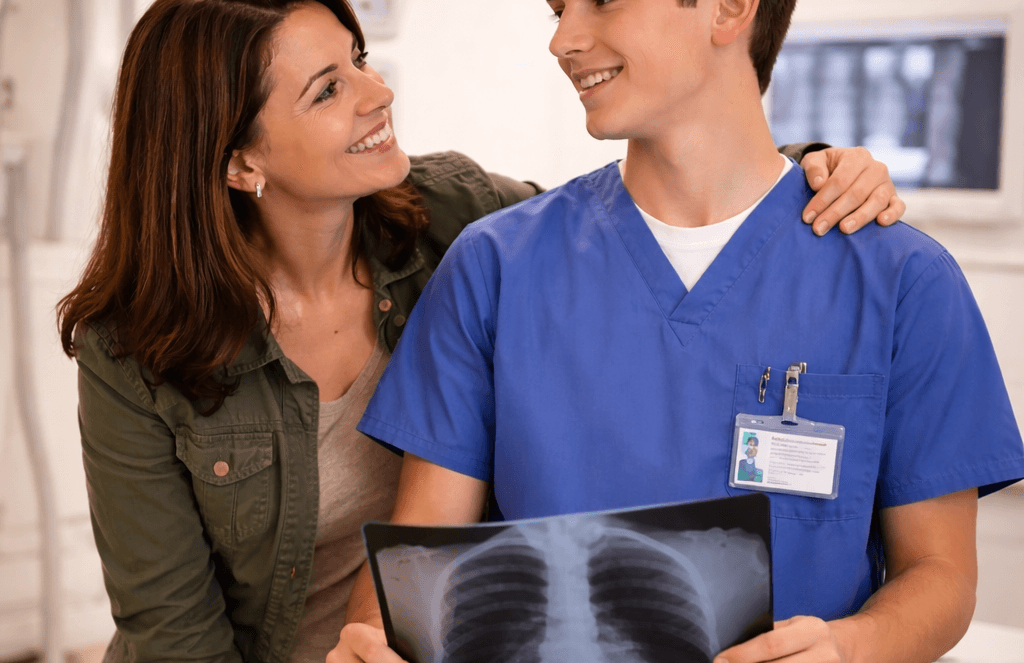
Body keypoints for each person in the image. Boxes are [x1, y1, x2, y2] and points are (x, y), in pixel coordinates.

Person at [57, 0, 906, 660]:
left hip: (432, 632)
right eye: (328, 90)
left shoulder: (451, 217)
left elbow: (656, 210)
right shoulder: (134, 349)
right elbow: (173, 634)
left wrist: (814, 170)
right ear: (240, 162)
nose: (378, 92)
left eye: (357, 60)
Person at [338, 0, 1024, 662]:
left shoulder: (902, 279)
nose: (562, 40)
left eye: (602, 2)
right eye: (558, 9)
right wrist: (374, 635)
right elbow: (414, 563)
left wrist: (851, 646)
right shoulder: (494, 268)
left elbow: (941, 575)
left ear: (728, 9)